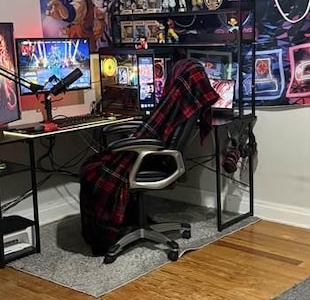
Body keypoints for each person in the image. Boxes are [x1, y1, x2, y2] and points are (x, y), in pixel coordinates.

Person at [79, 58, 219, 254]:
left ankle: (105, 234)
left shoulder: (171, 103)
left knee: (91, 169)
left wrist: (124, 143)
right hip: (159, 159)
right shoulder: (179, 103)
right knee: (93, 167)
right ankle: (129, 218)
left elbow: (153, 132)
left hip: (154, 160)